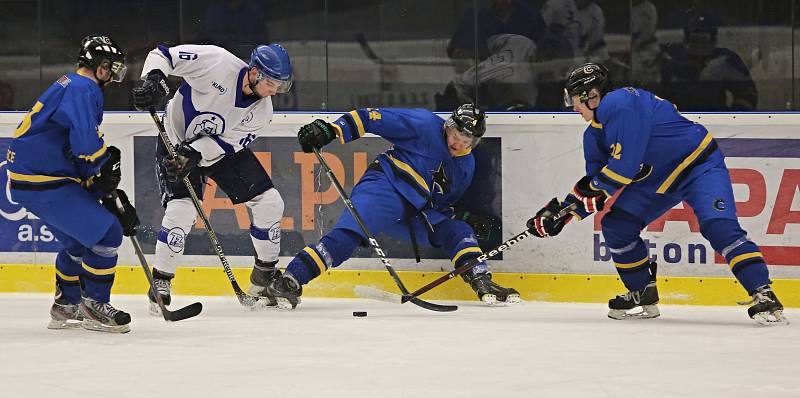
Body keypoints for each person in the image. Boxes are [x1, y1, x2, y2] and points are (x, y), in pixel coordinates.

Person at [526, 62, 787, 325]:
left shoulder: (621, 101)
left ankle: (762, 292)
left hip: (697, 166)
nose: (572, 107)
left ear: (592, 95)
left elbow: (623, 169)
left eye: (574, 99)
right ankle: (643, 292)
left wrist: (582, 197)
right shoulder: (592, 136)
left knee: (718, 225)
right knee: (617, 225)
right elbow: (596, 188)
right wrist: (564, 212)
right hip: (659, 180)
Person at [266, 104, 521, 309]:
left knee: (458, 231)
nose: (459, 143)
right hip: (387, 185)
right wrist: (331, 130)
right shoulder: (423, 124)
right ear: (448, 126)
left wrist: (455, 215)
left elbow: (442, 203)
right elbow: (370, 117)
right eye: (457, 135)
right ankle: (290, 279)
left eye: (467, 140)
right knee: (349, 235)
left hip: (418, 210)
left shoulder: (467, 166)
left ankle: (481, 279)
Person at [131, 43, 292, 312]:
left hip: (214, 150)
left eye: (282, 86)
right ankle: (161, 281)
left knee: (269, 202)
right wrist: (155, 78)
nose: (275, 92)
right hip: (175, 138)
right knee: (181, 210)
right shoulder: (217, 62)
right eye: (273, 84)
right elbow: (163, 55)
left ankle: (265, 277)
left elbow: (227, 145)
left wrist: (195, 152)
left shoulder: (262, 112)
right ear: (254, 73)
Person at [7, 35, 139, 333]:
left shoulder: (71, 84)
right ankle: (94, 305)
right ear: (101, 66)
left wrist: (98, 181)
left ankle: (66, 304)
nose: (114, 75)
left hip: (37, 176)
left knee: (79, 241)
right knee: (107, 233)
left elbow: (73, 143)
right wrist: (100, 165)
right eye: (112, 68)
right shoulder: (83, 88)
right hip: (43, 177)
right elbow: (84, 142)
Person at [659, 13, 758, 111]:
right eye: (695, 39)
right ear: (686, 39)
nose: (699, 46)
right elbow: (653, 93)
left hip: (714, 121)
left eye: (704, 39)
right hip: (677, 121)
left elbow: (748, 94)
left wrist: (729, 118)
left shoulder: (725, 59)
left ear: (713, 40)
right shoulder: (671, 58)